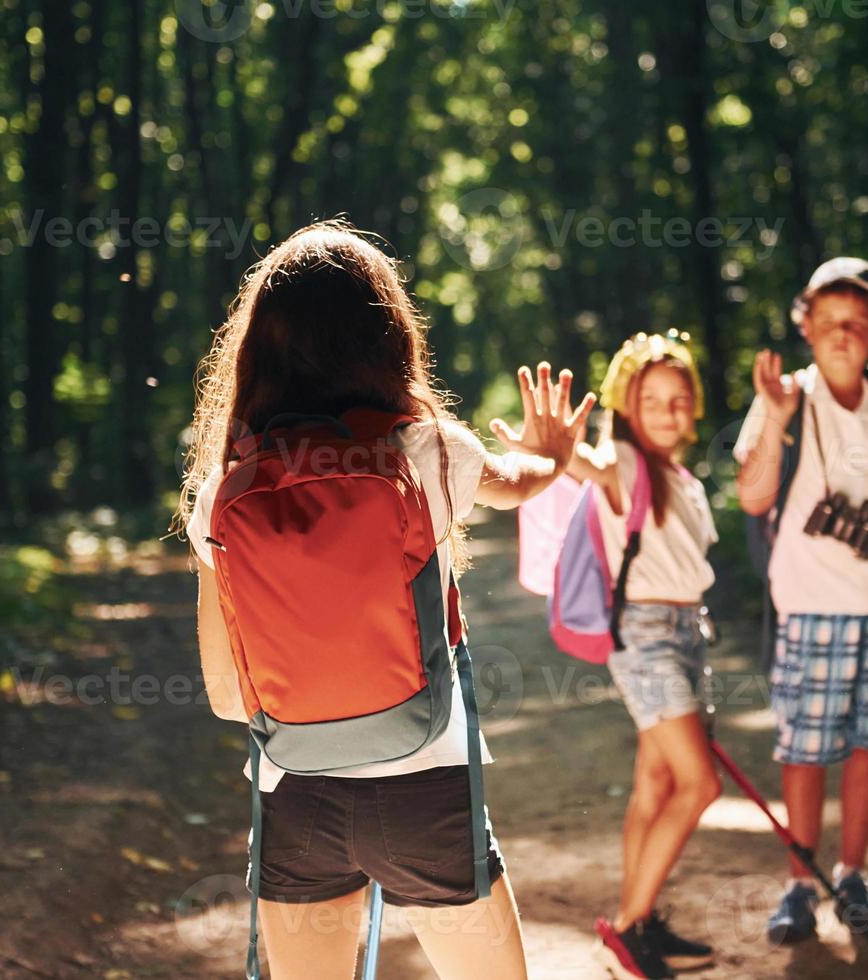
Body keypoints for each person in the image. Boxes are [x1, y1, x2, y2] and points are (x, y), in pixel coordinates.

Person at [176, 220, 595, 980]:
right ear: (388, 336)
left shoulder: (221, 497)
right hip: (426, 789)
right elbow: (522, 482)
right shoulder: (429, 451)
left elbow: (229, 699)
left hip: (294, 799)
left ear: (256, 352)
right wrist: (553, 454)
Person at [733, 258, 868, 944]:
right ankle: (798, 884)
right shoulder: (787, 397)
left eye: (854, 322)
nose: (840, 335)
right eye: (825, 322)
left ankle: (852, 876)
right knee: (806, 751)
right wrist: (778, 415)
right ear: (805, 328)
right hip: (810, 605)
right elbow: (752, 495)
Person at [545, 331, 722, 980]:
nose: (669, 413)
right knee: (701, 785)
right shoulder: (623, 463)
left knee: (656, 785)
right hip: (646, 640)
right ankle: (625, 931)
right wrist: (558, 447)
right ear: (628, 405)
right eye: (652, 401)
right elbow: (583, 465)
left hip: (685, 635)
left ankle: (638, 922)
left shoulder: (686, 481)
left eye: (680, 400)